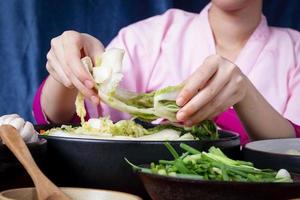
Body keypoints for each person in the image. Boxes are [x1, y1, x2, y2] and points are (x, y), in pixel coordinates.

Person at [33, 0, 300, 145]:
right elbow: (69, 121)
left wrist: (244, 94)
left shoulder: (295, 50)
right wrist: (69, 73)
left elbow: (293, 152)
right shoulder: (147, 38)